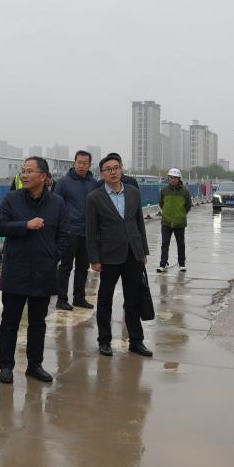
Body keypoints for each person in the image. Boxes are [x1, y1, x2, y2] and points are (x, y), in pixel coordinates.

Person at [0, 157, 69, 384]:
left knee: (38, 322)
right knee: (10, 321)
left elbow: (65, 235)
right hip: (16, 270)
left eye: (29, 171)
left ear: (43, 177)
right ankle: (6, 366)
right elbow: (0, 226)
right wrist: (25, 225)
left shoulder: (57, 203)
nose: (24, 175)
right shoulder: (12, 198)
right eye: (22, 171)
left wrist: (53, 256)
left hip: (43, 272)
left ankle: (35, 365)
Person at [86, 152, 152, 359]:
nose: (113, 172)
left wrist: (143, 251)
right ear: (102, 174)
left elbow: (139, 223)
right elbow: (91, 231)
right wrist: (94, 259)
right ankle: (104, 341)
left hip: (133, 253)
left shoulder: (133, 192)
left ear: (121, 169)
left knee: (133, 299)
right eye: (108, 169)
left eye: (116, 168)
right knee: (104, 300)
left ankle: (136, 341)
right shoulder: (94, 198)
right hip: (109, 256)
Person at [53, 150, 97, 311]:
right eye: (79, 162)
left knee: (83, 267)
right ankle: (62, 299)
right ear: (74, 163)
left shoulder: (94, 183)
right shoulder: (63, 182)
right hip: (69, 232)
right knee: (65, 266)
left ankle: (79, 297)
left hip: (87, 233)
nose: (81, 166)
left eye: (84, 163)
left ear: (89, 165)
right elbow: (55, 205)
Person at [157, 168, 192, 273]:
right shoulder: (164, 190)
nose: (172, 179)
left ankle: (182, 264)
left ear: (179, 179)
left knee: (181, 244)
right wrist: (167, 213)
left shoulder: (185, 191)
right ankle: (163, 264)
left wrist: (181, 214)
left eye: (175, 178)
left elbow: (188, 205)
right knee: (165, 244)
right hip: (166, 222)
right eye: (171, 177)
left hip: (179, 223)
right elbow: (161, 203)